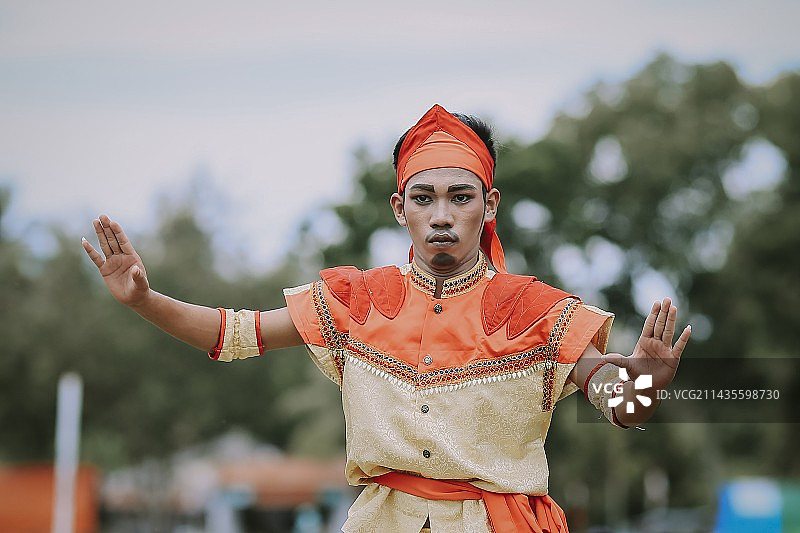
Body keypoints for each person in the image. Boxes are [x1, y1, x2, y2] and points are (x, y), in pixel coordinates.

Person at [83, 104, 691, 532]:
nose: (442, 215)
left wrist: (646, 381)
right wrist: (144, 301)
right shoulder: (356, 302)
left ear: (489, 205)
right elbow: (234, 335)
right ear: (401, 209)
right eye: (425, 198)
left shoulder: (536, 311)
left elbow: (619, 405)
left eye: (461, 196)